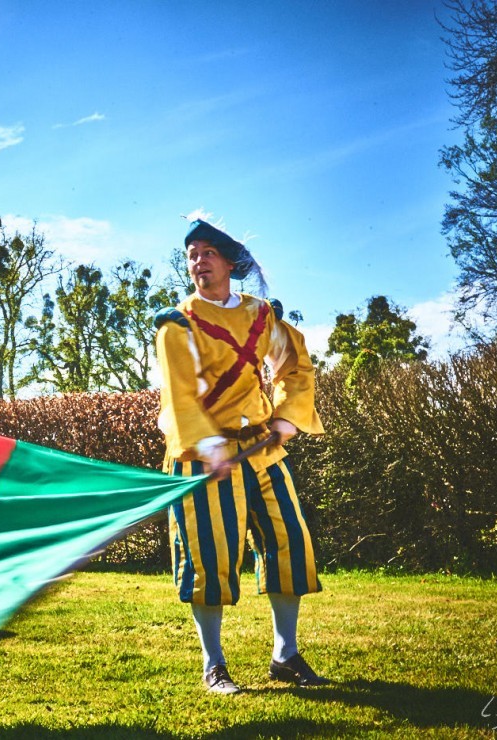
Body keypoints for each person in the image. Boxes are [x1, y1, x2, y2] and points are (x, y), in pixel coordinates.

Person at [154, 216, 327, 695]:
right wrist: (210, 446)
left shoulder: (260, 315)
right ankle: (215, 665)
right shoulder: (177, 323)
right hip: (200, 457)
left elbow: (295, 364)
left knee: (290, 544)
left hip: (262, 452)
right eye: (191, 255)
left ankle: (285, 655)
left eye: (207, 252)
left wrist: (287, 418)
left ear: (230, 262)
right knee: (207, 559)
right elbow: (178, 394)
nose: (197, 262)